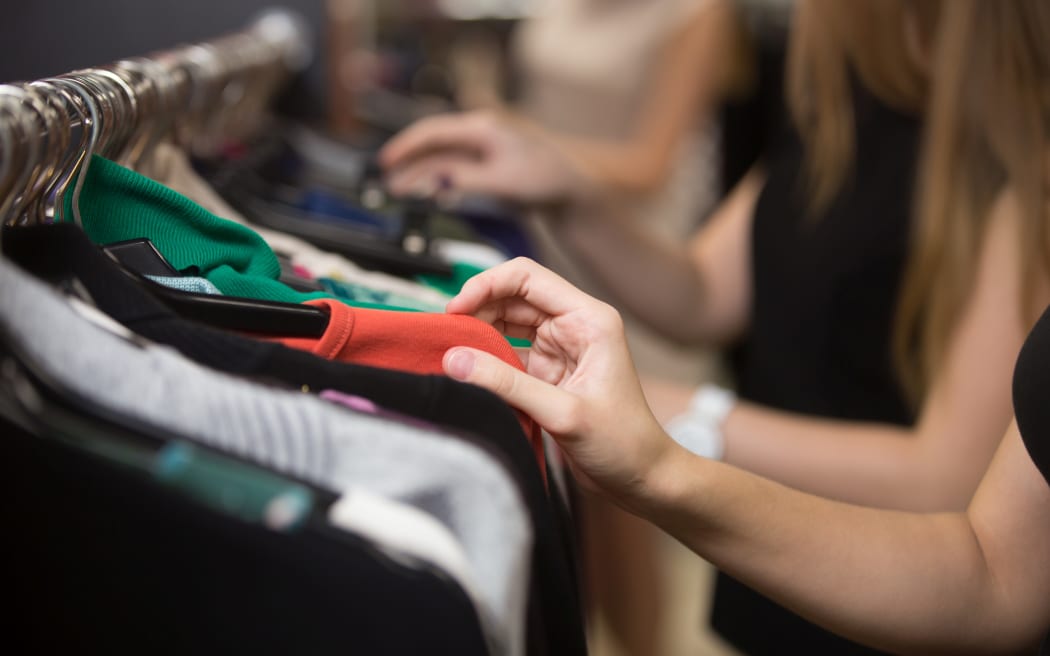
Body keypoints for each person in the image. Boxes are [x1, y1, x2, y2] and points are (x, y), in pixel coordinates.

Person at [380, 0, 1050, 652]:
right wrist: (566, 190)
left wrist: (679, 419)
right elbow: (699, 294)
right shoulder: (840, 114)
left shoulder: (1016, 165)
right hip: (777, 569)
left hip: (898, 595)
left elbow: (943, 482)